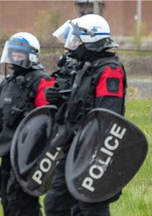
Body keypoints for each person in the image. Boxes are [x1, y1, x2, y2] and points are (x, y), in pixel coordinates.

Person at [44, 14, 127, 216]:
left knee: (90, 207)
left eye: (78, 38)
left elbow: (108, 115)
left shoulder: (110, 70)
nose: (74, 43)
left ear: (91, 39)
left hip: (94, 149)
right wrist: (58, 97)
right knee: (56, 204)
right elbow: (78, 105)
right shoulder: (84, 67)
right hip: (73, 144)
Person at [0, 32, 54, 215]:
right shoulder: (7, 82)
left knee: (21, 200)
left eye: (20, 53)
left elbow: (48, 117)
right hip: (7, 151)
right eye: (13, 52)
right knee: (5, 193)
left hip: (29, 153)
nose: (15, 57)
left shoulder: (42, 80)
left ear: (31, 55)